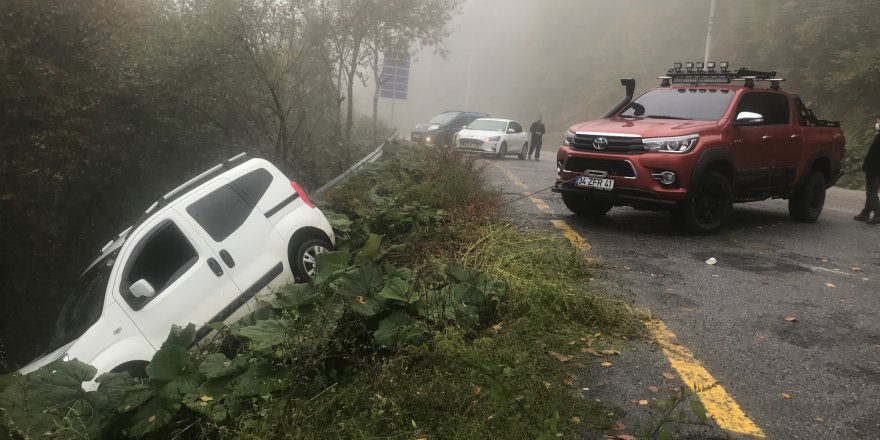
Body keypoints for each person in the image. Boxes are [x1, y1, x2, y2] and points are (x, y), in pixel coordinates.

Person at [854, 116, 880, 225]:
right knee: (871, 190)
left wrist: (867, 166)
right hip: (876, 168)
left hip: (875, 168)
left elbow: (873, 155)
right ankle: (866, 212)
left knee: (871, 191)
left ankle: (878, 213)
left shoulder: (879, 138)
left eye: (878, 122)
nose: (877, 124)